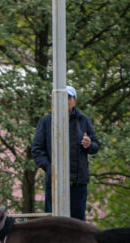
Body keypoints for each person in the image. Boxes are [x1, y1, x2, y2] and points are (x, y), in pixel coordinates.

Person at [31, 86, 101, 221]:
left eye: (67, 98)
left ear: (74, 100)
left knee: (77, 224)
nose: (64, 101)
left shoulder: (83, 120)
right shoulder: (46, 121)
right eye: (59, 98)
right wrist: (50, 168)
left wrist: (88, 145)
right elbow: (37, 149)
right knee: (53, 224)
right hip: (55, 183)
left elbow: (96, 145)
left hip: (78, 182)